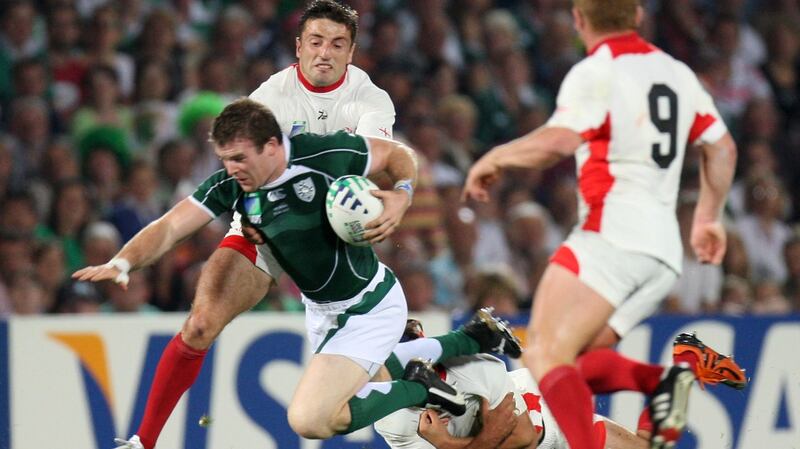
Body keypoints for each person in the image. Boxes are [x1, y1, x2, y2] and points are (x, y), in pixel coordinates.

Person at [75, 99, 521, 449]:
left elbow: (398, 155)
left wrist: (401, 195)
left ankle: (421, 388)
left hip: (371, 306)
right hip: (323, 311)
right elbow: (171, 225)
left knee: (312, 419)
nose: (231, 168)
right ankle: (470, 339)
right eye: (224, 158)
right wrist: (123, 261)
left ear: (272, 146)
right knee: (366, 381)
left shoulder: (326, 155)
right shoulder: (234, 185)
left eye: (239, 158)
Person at [89, 1, 397, 448]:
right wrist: (124, 260)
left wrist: (398, 195)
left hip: (330, 235)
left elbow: (373, 164)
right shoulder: (270, 97)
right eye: (315, 42)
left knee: (385, 368)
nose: (324, 53)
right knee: (199, 325)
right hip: (264, 228)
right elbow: (191, 211)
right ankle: (144, 441)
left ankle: (437, 368)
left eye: (337, 44)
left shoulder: (370, 100)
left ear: (352, 51)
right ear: (299, 46)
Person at [462, 1, 741, 448]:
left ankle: (664, 380)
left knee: (543, 353)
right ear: (637, 15)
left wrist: (497, 156)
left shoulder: (597, 71)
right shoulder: (676, 72)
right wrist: (709, 217)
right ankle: (678, 372)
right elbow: (722, 148)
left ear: (578, 20)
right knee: (574, 360)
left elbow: (559, 140)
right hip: (663, 252)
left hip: (611, 236)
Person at [375, 319, 655, 449]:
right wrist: (492, 436)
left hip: (553, 427)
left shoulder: (475, 367)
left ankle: (681, 368)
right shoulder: (389, 419)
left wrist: (447, 444)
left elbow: (525, 440)